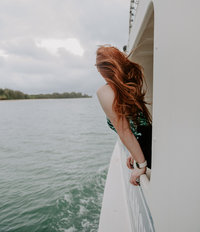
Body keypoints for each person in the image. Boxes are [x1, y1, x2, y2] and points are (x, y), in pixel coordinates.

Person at [95, 45, 152, 186]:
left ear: (101, 69)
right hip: (150, 144)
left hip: (148, 152)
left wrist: (141, 164)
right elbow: (139, 125)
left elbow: (125, 130)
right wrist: (135, 152)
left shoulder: (105, 92)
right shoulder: (127, 86)